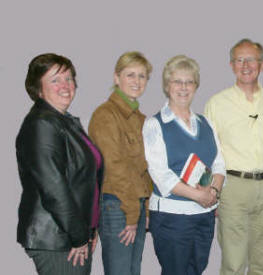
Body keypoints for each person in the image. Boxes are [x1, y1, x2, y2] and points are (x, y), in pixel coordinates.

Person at [205, 38, 263, 275]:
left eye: (250, 59)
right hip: (233, 188)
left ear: (262, 64)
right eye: (239, 60)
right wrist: (214, 191)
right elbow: (210, 152)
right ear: (231, 65)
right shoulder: (217, 103)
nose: (245, 65)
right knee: (233, 261)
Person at [16, 53, 103, 275]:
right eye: (55, 80)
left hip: (72, 235)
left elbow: (84, 181)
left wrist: (90, 231)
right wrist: (79, 237)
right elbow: (53, 187)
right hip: (57, 239)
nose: (65, 85)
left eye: (69, 78)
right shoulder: (42, 124)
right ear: (38, 89)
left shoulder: (64, 121)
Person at [143, 55, 226, 275]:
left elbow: (218, 164)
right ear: (167, 86)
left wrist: (214, 191)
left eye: (189, 82)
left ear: (196, 86)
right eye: (177, 81)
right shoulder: (155, 124)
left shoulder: (206, 123)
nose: (183, 87)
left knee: (196, 270)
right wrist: (198, 195)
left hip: (204, 214)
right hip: (172, 217)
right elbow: (161, 175)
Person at [88, 51, 153, 275]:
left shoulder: (140, 119)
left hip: (136, 206)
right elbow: (116, 169)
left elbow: (144, 170)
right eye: (130, 75)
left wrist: (146, 208)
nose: (137, 81)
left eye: (142, 76)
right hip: (118, 207)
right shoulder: (105, 115)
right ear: (117, 78)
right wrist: (133, 213)